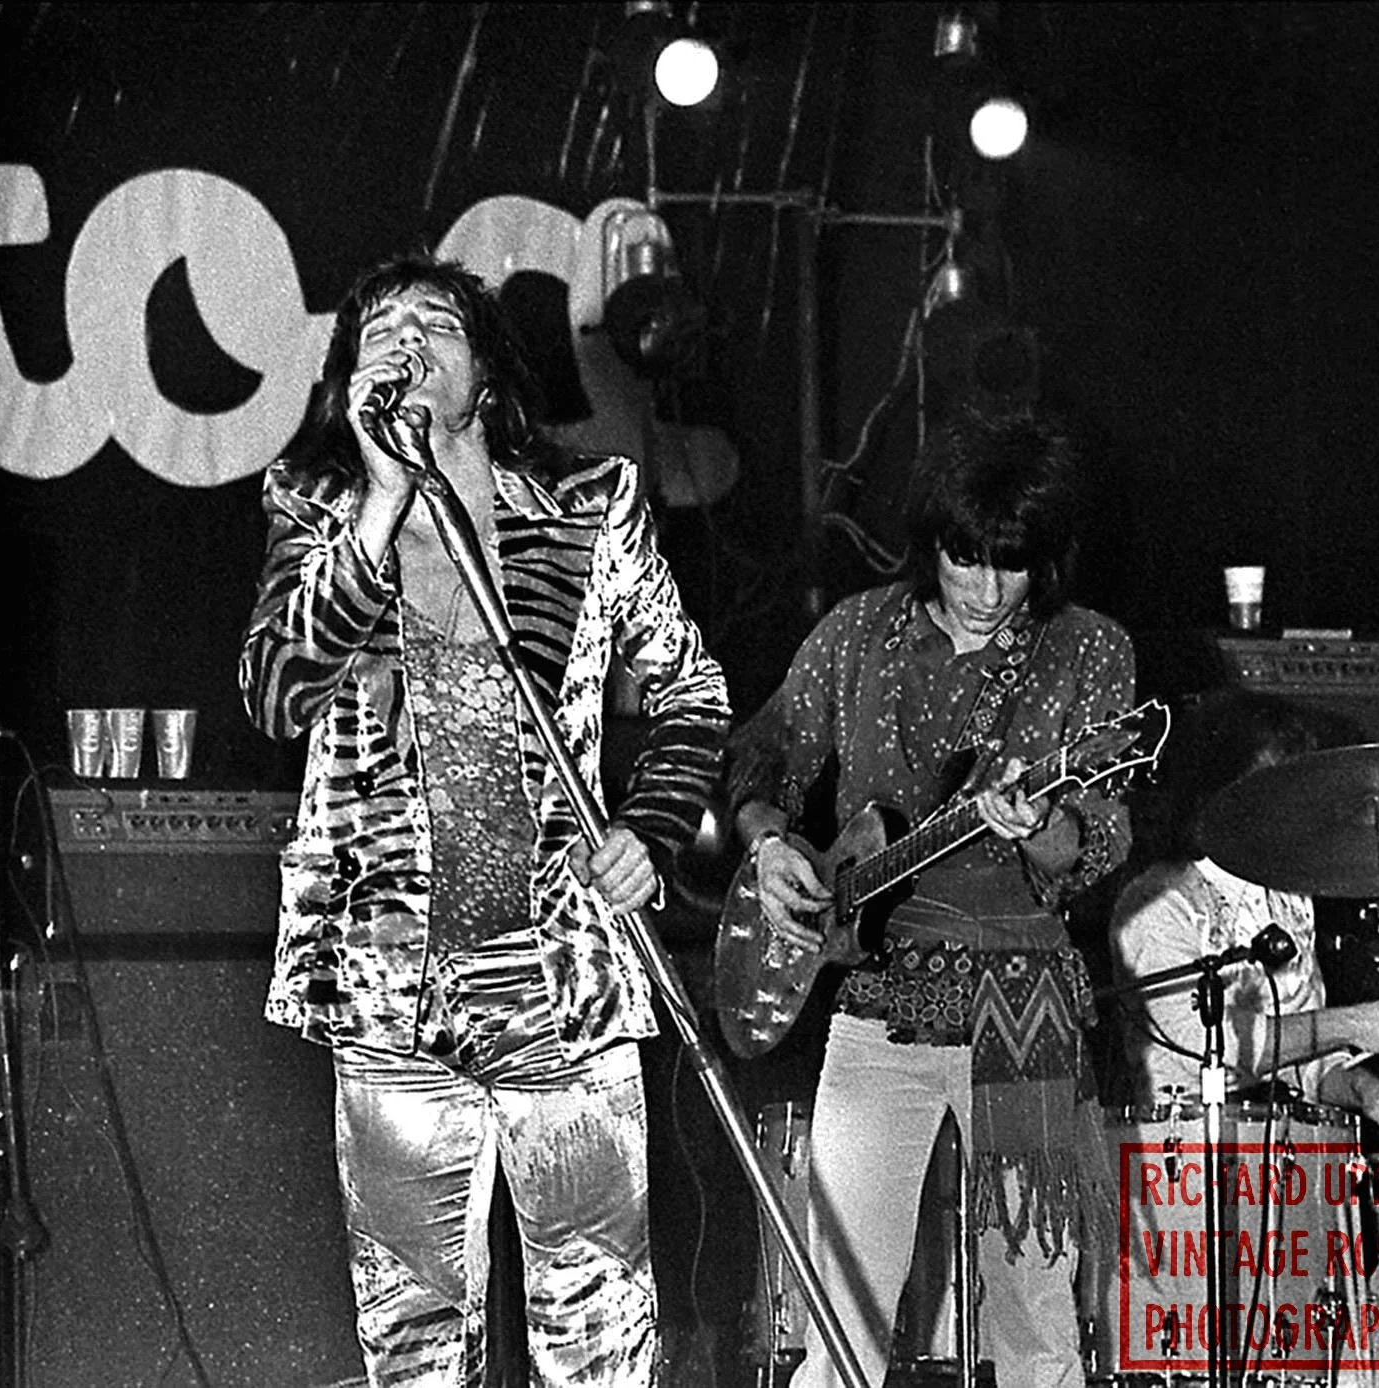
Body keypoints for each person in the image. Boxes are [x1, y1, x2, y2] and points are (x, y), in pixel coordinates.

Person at [239, 251, 731, 1388]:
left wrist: (648, 831)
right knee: (413, 1345)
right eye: (378, 332)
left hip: (561, 982)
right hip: (391, 992)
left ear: (487, 378)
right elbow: (274, 690)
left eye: (433, 327)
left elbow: (691, 687)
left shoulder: (589, 506)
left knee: (601, 1339)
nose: (404, 345)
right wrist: (377, 510)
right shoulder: (316, 510)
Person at [726, 405, 1135, 1387]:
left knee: (1035, 1309)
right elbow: (767, 750)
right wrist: (772, 839)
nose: (991, 588)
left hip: (1022, 1003)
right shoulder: (858, 631)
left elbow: (1106, 830)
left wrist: (1037, 824)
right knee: (840, 1298)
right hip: (880, 998)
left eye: (1015, 564)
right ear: (931, 540)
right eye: (968, 557)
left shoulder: (1088, 649)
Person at [1108, 687, 1379, 1138]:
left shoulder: (1290, 897)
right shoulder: (1158, 902)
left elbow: (1304, 1058)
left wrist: (1363, 1089)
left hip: (1285, 1151)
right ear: (1218, 794)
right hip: (1183, 1160)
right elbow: (1211, 1046)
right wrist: (1352, 1023)